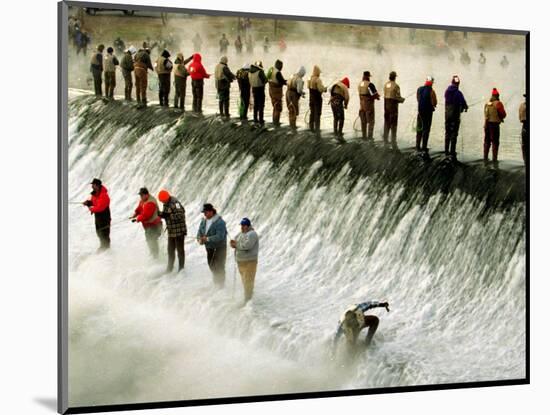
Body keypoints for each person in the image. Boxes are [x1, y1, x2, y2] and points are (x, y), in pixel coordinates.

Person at [196, 203, 228, 288]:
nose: (204, 214)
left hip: (220, 247)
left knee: (220, 266)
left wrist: (207, 239)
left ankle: (221, 285)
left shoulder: (220, 222)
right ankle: (216, 283)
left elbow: (220, 236)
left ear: (211, 211)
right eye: (204, 213)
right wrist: (199, 239)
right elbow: (199, 233)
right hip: (209, 247)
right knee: (211, 266)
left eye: (205, 212)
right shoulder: (203, 221)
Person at [230, 218, 259, 304]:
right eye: (241, 225)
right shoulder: (241, 234)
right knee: (244, 281)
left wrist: (236, 245)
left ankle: (248, 301)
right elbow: (236, 241)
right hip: (241, 262)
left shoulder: (252, 234)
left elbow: (247, 246)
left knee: (248, 281)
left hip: (250, 262)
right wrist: (232, 243)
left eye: (244, 225)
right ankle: (247, 298)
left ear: (248, 226)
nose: (242, 227)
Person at [158, 190, 187, 273]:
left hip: (179, 231)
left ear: (166, 198)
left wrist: (169, 216)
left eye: (163, 200)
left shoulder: (175, 203)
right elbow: (167, 214)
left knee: (180, 251)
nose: (162, 202)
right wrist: (162, 214)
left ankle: (181, 269)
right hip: (171, 231)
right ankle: (169, 268)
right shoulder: (165, 203)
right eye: (161, 201)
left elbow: (181, 215)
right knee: (170, 250)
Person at [130, 187, 163, 259]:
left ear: (146, 194)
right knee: (149, 240)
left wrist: (137, 218)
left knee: (152, 240)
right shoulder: (143, 200)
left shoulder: (150, 202)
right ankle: (153, 255)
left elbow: (146, 216)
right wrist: (135, 214)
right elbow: (139, 208)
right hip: (148, 226)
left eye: (142, 195)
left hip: (155, 225)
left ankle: (155, 257)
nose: (141, 197)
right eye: (140, 195)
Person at [82, 178, 111, 252]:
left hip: (104, 217)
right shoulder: (94, 194)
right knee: (98, 232)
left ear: (97, 185)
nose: (92, 186)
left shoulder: (104, 195)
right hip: (98, 217)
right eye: (92, 185)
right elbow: (93, 202)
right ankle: (102, 246)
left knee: (104, 234)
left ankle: (106, 249)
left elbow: (100, 208)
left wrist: (90, 208)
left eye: (93, 185)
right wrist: (88, 202)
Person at [444, 75, 468, 161]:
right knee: (454, 133)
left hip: (447, 116)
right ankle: (452, 152)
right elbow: (463, 102)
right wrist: (465, 107)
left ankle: (446, 151)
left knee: (447, 132)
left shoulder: (447, 92)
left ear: (452, 82)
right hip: (455, 116)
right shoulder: (458, 93)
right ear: (458, 83)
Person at [483, 88, 507, 167]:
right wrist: (500, 117)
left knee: (487, 141)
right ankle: (494, 159)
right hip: (495, 126)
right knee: (495, 142)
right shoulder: (498, 104)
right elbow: (503, 114)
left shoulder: (487, 103)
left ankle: (485, 157)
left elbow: (486, 114)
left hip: (487, 125)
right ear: (497, 96)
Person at [383, 71, 405, 149]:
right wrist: (402, 100)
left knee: (386, 122)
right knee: (393, 124)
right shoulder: (396, 86)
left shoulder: (385, 85)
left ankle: (385, 139)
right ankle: (393, 141)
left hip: (386, 107)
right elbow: (398, 98)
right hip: (393, 108)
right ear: (395, 77)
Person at [416, 76, 438, 154]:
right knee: (426, 129)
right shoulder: (432, 91)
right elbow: (435, 102)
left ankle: (417, 146)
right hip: (428, 113)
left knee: (419, 128)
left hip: (420, 112)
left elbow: (418, 99)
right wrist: (433, 105)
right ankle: (424, 147)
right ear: (431, 83)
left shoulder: (419, 89)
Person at [358, 71, 380, 141]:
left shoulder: (360, 84)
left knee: (363, 122)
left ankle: (363, 137)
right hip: (369, 107)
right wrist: (378, 97)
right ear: (368, 76)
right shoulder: (370, 84)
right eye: (369, 76)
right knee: (371, 122)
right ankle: (370, 138)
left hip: (361, 107)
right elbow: (374, 95)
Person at [308, 65, 327, 135]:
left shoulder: (310, 78)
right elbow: (320, 89)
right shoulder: (318, 80)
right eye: (319, 72)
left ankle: (311, 128)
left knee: (312, 113)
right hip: (317, 99)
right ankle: (317, 129)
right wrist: (325, 89)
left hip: (311, 98)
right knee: (317, 114)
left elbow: (308, 87)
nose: (319, 74)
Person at [267, 59, 287, 126]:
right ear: (279, 65)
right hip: (276, 91)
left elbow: (267, 78)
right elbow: (282, 81)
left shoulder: (271, 70)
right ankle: (276, 122)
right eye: (281, 66)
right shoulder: (277, 72)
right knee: (278, 107)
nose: (282, 67)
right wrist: (289, 82)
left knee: (274, 106)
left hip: (271, 90)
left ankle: (274, 121)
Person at [286, 66, 306, 130]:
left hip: (287, 93)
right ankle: (293, 126)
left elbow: (287, 83)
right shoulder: (299, 79)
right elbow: (299, 90)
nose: (303, 75)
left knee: (290, 110)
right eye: (303, 73)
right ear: (302, 73)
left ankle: (290, 124)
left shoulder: (292, 76)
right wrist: (302, 93)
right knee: (294, 111)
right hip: (293, 95)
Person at [519, 93, 527, 163]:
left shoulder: (522, 105)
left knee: (524, 145)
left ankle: (525, 161)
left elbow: (520, 118)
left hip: (524, 127)